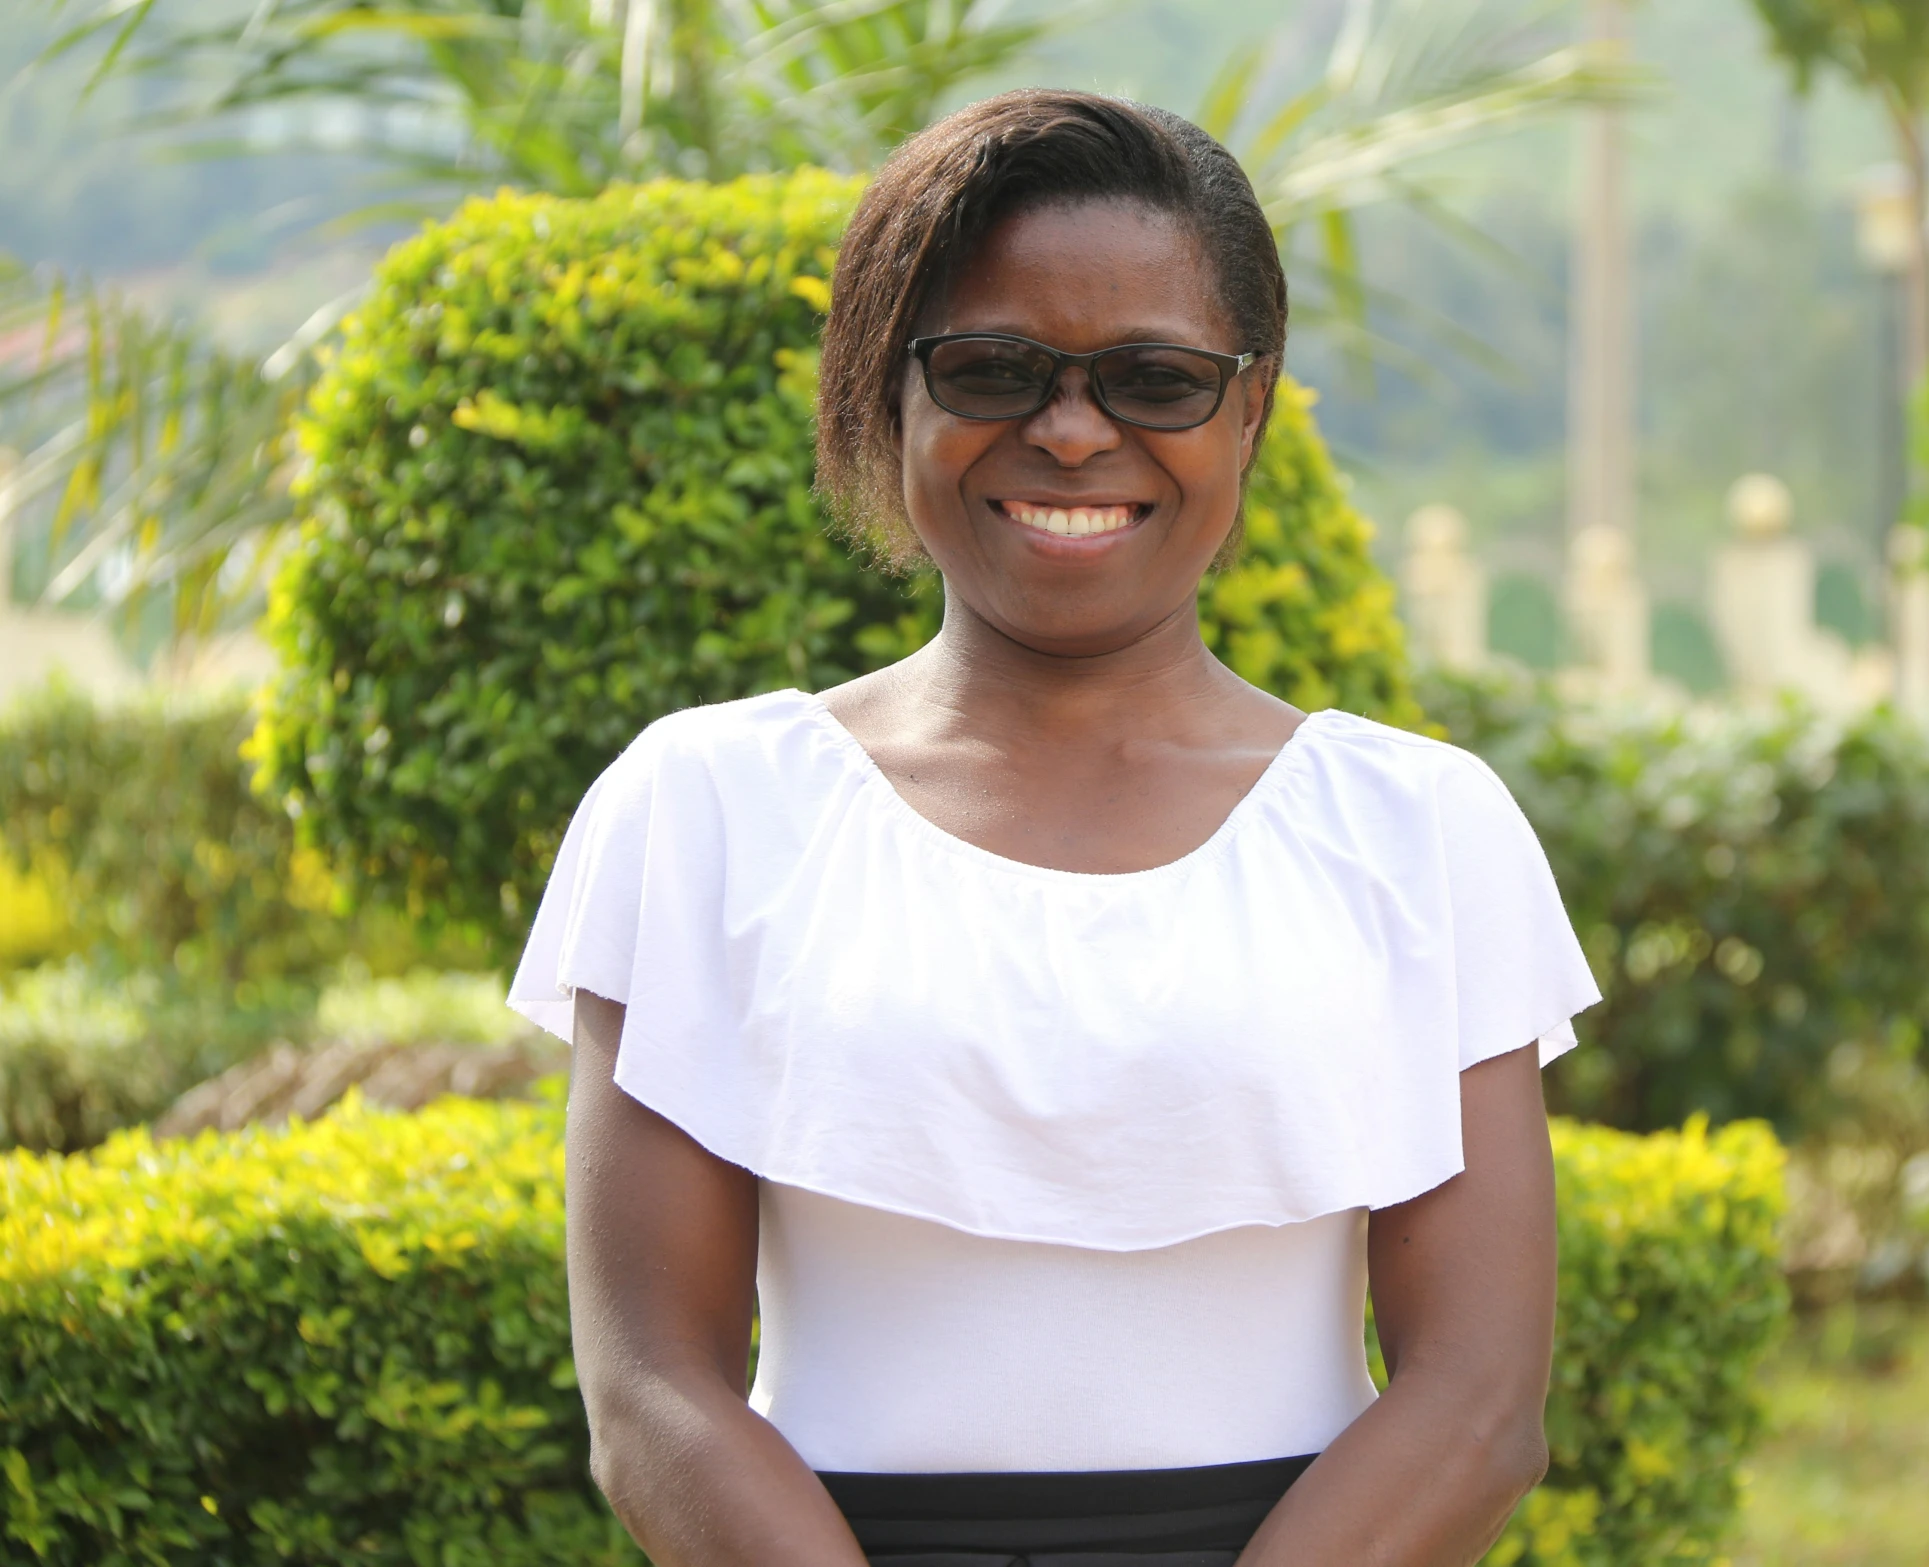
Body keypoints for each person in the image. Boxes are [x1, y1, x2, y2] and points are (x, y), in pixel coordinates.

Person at [509, 88, 1599, 1567]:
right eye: (994, 368)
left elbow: (1477, 1402)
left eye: (1154, 379)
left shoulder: (1417, 828)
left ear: (1249, 409)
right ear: (885, 396)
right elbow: (652, 1391)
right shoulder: (705, 807)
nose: (1072, 432)